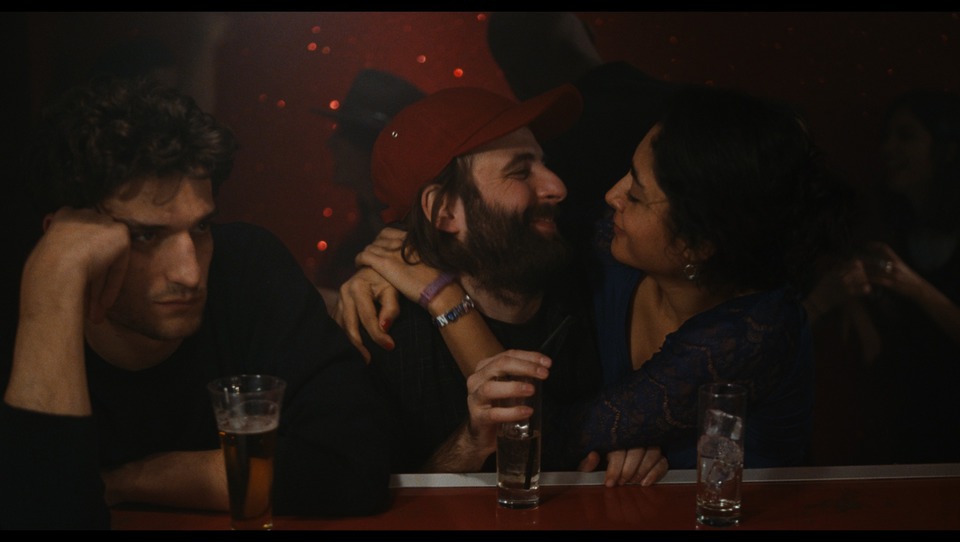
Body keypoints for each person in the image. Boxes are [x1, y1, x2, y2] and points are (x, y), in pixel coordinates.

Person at [341, 83, 845, 470]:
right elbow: (499, 227)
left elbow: (544, 438)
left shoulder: (749, 331)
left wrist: (443, 297)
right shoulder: (603, 248)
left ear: (697, 244)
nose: (608, 195)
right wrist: (392, 252)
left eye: (637, 194)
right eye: (520, 170)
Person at [0, 77, 392, 529]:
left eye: (201, 228)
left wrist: (129, 480)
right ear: (64, 240)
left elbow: (354, 466)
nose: (189, 274)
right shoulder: (31, 300)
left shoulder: (246, 266)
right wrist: (54, 285)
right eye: (147, 236)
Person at [339, 84, 669, 485]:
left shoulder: (592, 281)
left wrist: (630, 446)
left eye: (544, 164)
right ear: (445, 211)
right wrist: (467, 446)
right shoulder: (385, 337)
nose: (557, 187)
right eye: (519, 172)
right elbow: (372, 502)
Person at [804, 89, 960, 465]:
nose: (888, 148)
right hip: (907, 422)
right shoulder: (887, 225)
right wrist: (854, 304)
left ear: (946, 148)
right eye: (886, 136)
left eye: (906, 136)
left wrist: (914, 286)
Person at [310, 69, 425, 295]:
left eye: (345, 133)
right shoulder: (360, 236)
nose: (331, 143)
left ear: (375, 148)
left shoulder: (422, 242)